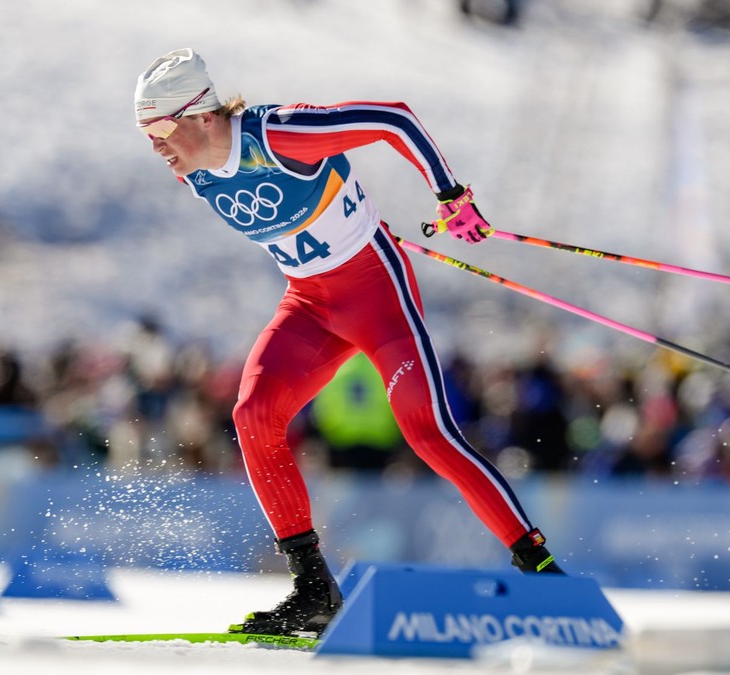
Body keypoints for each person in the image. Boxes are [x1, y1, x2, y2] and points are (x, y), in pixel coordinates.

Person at [133, 48, 566, 638]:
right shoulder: (192, 170)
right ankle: (313, 591)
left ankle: (544, 576)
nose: (154, 142)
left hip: (376, 298)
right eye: (144, 130)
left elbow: (394, 119)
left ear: (203, 114)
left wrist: (451, 196)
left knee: (427, 432)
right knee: (253, 414)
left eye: (160, 126)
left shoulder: (279, 134)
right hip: (309, 305)